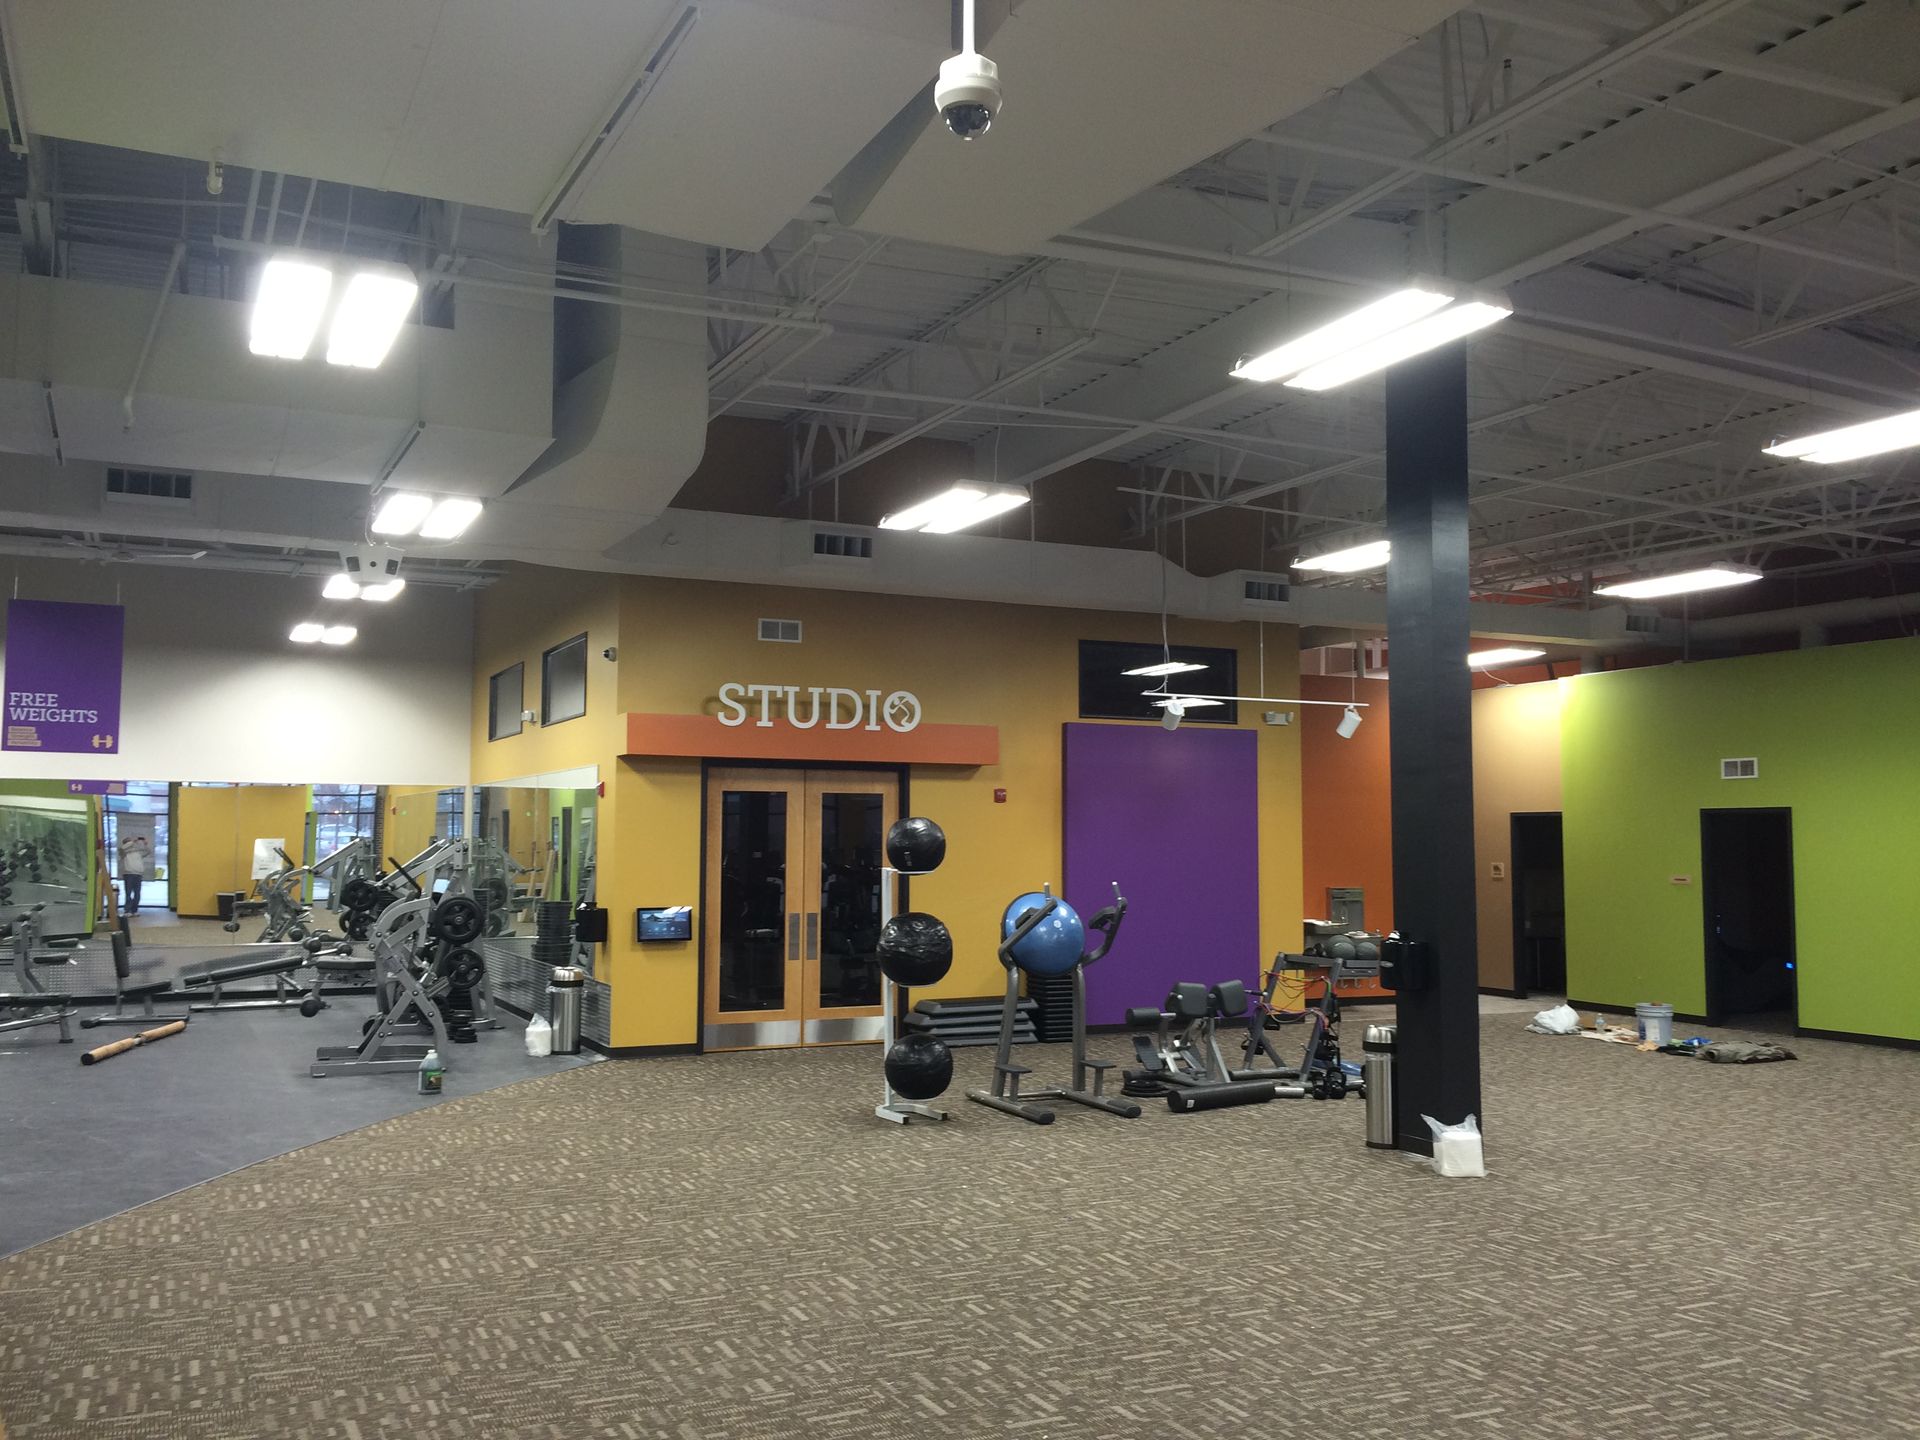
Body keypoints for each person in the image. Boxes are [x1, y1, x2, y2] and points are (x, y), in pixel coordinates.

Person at [118, 833, 150, 916]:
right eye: (129, 842)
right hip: (129, 874)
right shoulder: (124, 853)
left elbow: (148, 851)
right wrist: (133, 841)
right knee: (128, 893)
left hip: (138, 874)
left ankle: (134, 910)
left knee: (137, 894)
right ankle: (127, 910)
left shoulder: (138, 853)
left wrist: (145, 844)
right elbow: (122, 848)